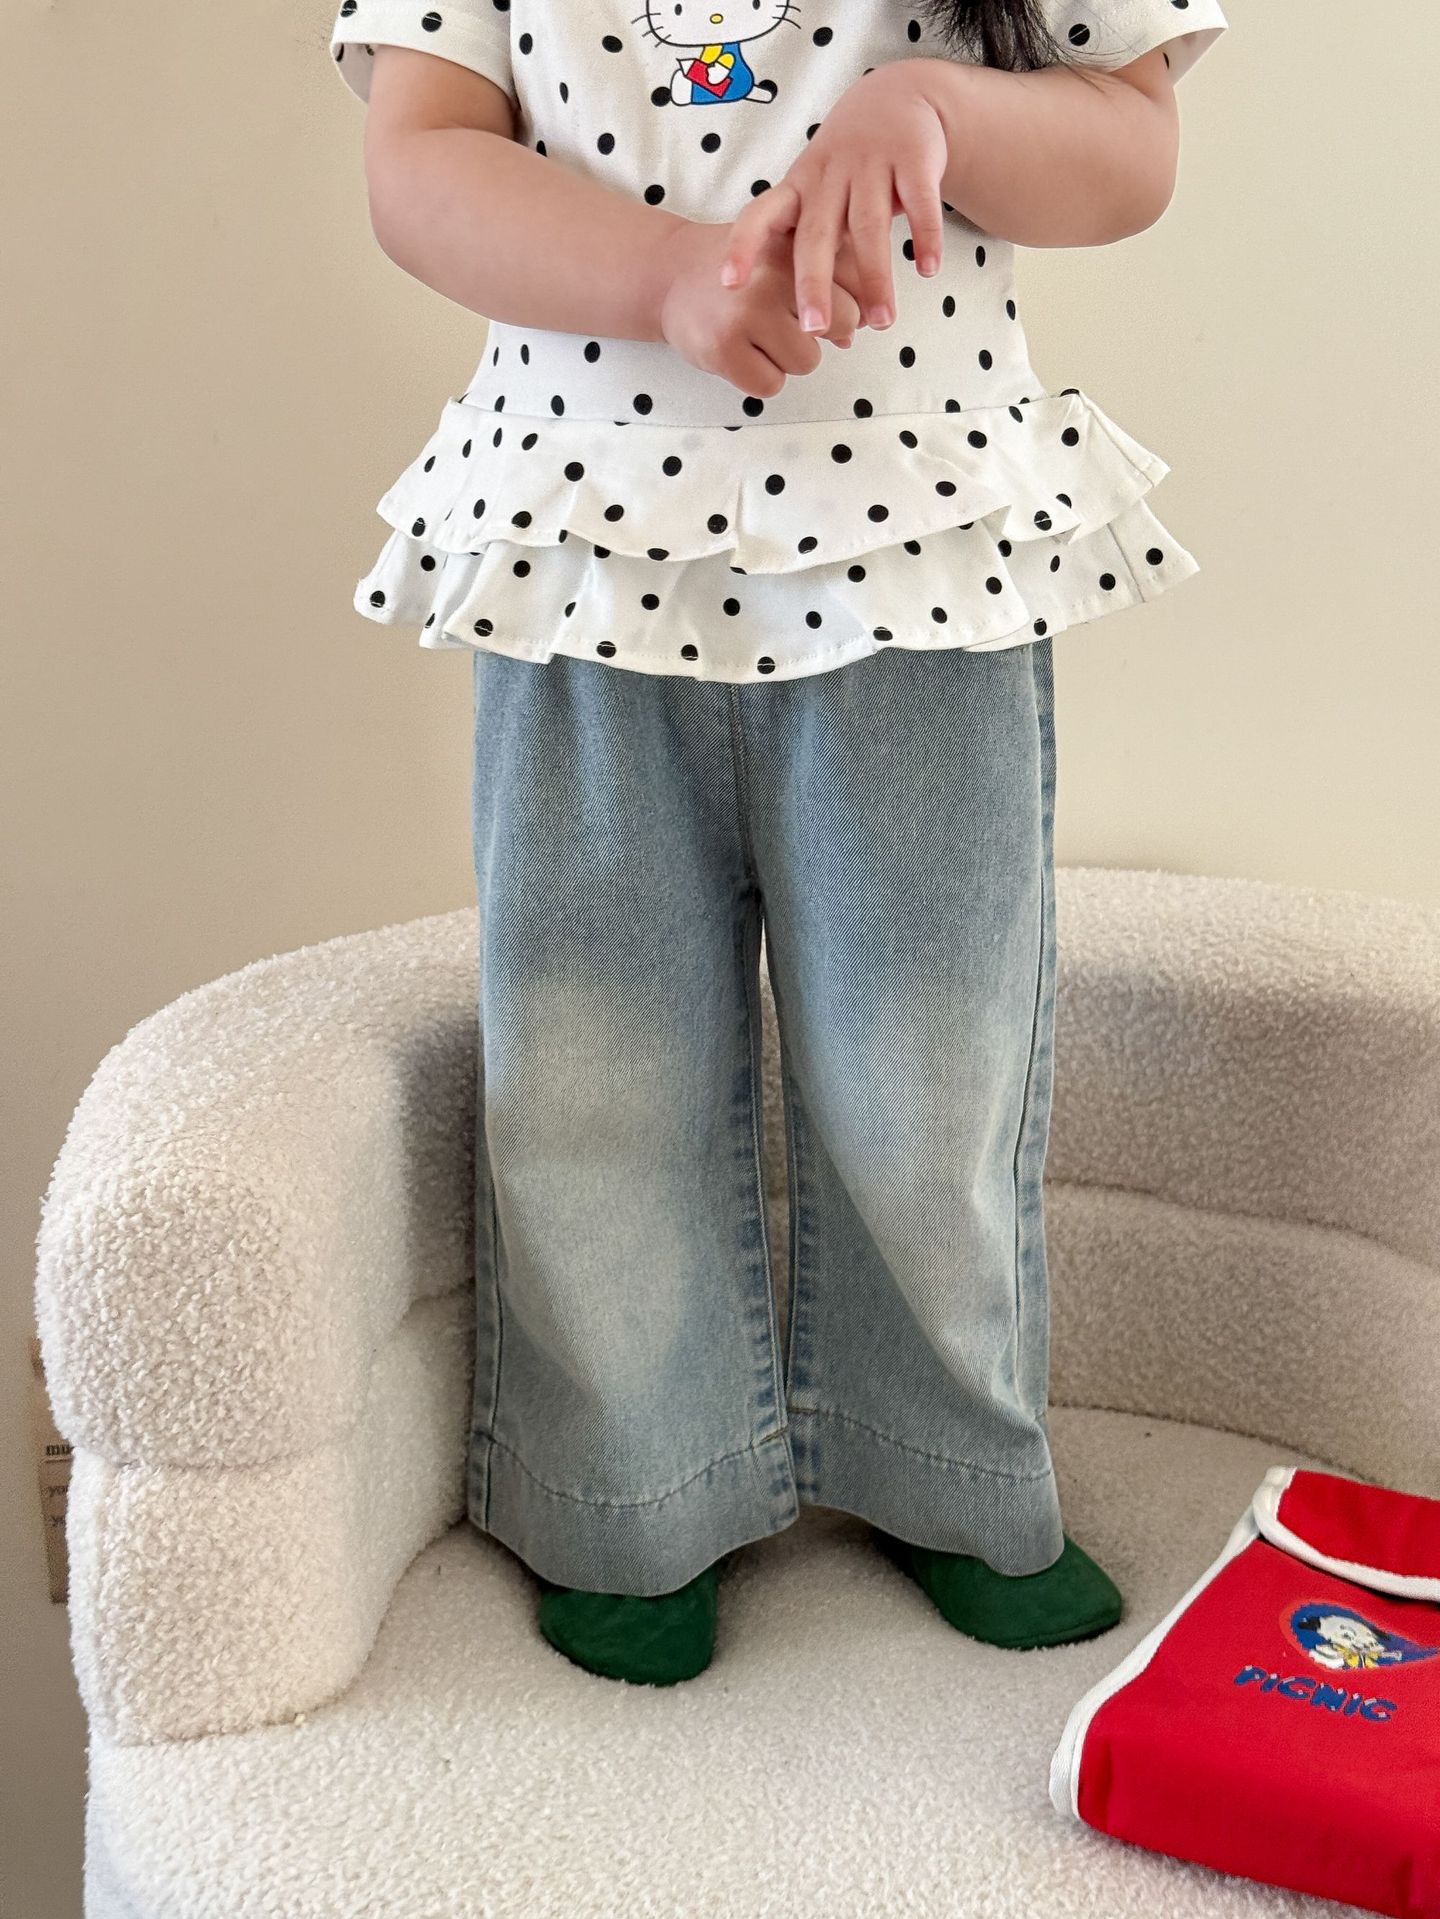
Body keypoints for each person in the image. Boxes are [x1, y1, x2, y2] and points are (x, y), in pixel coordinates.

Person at [326, 0, 1229, 1686]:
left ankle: (945, 1463)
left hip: (925, 552)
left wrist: (937, 107)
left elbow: (1129, 149)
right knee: (592, 1065)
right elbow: (420, 161)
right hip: (583, 544)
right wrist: (665, 278)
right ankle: (626, 1490)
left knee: (930, 1066)